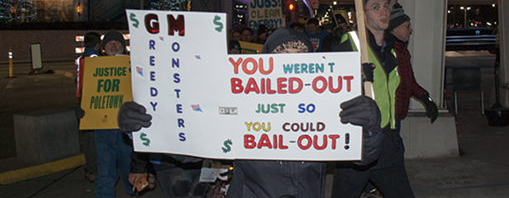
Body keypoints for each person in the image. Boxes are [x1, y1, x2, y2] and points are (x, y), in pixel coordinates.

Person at [118, 27, 383, 198]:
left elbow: (362, 159)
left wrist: (369, 127)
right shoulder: (240, 104)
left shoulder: (327, 107)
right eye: (281, 57)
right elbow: (189, 151)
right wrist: (145, 127)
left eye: (299, 58)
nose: (290, 67)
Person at [331, 0, 416, 198]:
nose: (383, 11)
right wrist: (355, 78)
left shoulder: (392, 50)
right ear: (362, 14)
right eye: (375, 7)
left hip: (387, 143)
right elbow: (331, 92)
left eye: (386, 6)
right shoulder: (348, 46)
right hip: (357, 145)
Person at [94, 30, 136, 198]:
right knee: (105, 175)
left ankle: (131, 192)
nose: (113, 45)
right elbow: (87, 93)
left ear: (124, 47)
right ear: (103, 48)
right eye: (109, 43)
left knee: (129, 171)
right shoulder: (94, 69)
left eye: (117, 43)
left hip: (126, 130)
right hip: (102, 129)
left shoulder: (133, 66)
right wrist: (82, 109)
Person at [388, 3, 438, 124]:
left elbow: (409, 82)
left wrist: (426, 98)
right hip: (388, 115)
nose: (410, 30)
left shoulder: (403, 52)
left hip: (396, 114)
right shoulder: (389, 52)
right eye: (407, 26)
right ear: (395, 29)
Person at [75, 32, 102, 183]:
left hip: (83, 100)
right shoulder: (95, 59)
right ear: (98, 43)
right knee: (93, 139)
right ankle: (92, 169)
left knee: (89, 138)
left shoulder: (81, 58)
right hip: (94, 101)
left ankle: (91, 168)